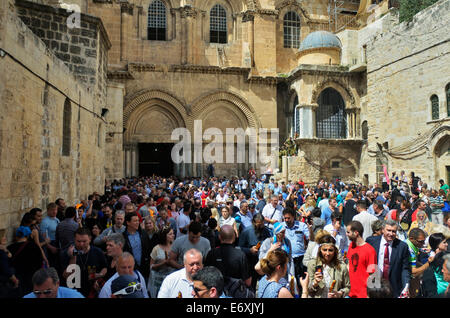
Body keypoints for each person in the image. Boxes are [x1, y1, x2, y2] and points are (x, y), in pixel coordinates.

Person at [366, 219, 411, 297]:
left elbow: (405, 269)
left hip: (394, 287)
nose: (391, 234)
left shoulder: (402, 246)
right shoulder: (371, 242)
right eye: (388, 230)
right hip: (374, 286)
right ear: (383, 230)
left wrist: (406, 286)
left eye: (393, 231)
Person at [62, 227, 107, 297]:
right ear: (74, 239)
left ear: (90, 239)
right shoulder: (67, 252)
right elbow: (65, 276)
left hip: (92, 291)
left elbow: (105, 267)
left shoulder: (97, 251)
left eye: (84, 241)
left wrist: (100, 274)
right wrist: (72, 258)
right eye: (78, 241)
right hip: (74, 292)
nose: (81, 244)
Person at [8, 225, 44, 296]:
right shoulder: (34, 246)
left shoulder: (9, 248)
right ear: (28, 236)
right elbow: (40, 263)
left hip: (16, 279)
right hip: (32, 278)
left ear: (17, 236)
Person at [238, 213, 271, 289]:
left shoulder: (266, 231)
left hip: (263, 262)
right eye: (258, 224)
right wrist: (249, 250)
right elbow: (239, 248)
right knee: (251, 286)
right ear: (254, 222)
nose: (260, 226)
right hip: (250, 263)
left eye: (262, 224)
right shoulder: (246, 231)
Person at [346, 220, 377, 298]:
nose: (346, 234)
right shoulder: (351, 246)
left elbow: (373, 275)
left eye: (348, 232)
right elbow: (349, 265)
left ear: (356, 233)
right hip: (350, 292)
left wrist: (370, 295)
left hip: (363, 294)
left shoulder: (370, 250)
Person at [281, 207, 309, 292]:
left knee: (301, 280)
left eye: (288, 218)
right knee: (290, 281)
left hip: (300, 258)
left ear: (293, 217)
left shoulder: (302, 226)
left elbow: (310, 238)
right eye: (285, 218)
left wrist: (310, 229)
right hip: (287, 259)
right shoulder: (281, 227)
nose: (286, 220)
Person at [122, 212, 152, 282]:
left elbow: (149, 250)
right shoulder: (123, 237)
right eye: (135, 221)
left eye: (138, 220)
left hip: (144, 269)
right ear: (128, 222)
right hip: (130, 270)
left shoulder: (143, 234)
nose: (137, 222)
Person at [148, 226, 177, 298]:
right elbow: (151, 266)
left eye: (173, 233)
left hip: (172, 280)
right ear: (164, 236)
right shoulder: (156, 249)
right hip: (159, 281)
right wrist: (163, 263)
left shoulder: (175, 247)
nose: (173, 235)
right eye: (170, 234)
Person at [421, 233, 449, 297]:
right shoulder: (431, 259)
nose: (447, 244)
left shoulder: (446, 256)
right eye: (444, 242)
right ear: (437, 245)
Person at [0, 231, 20, 298]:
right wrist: (14, 279)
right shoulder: (1, 252)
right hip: (3, 281)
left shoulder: (3, 250)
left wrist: (5, 250)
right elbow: (5, 268)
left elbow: (10, 255)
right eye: (3, 236)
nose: (5, 238)